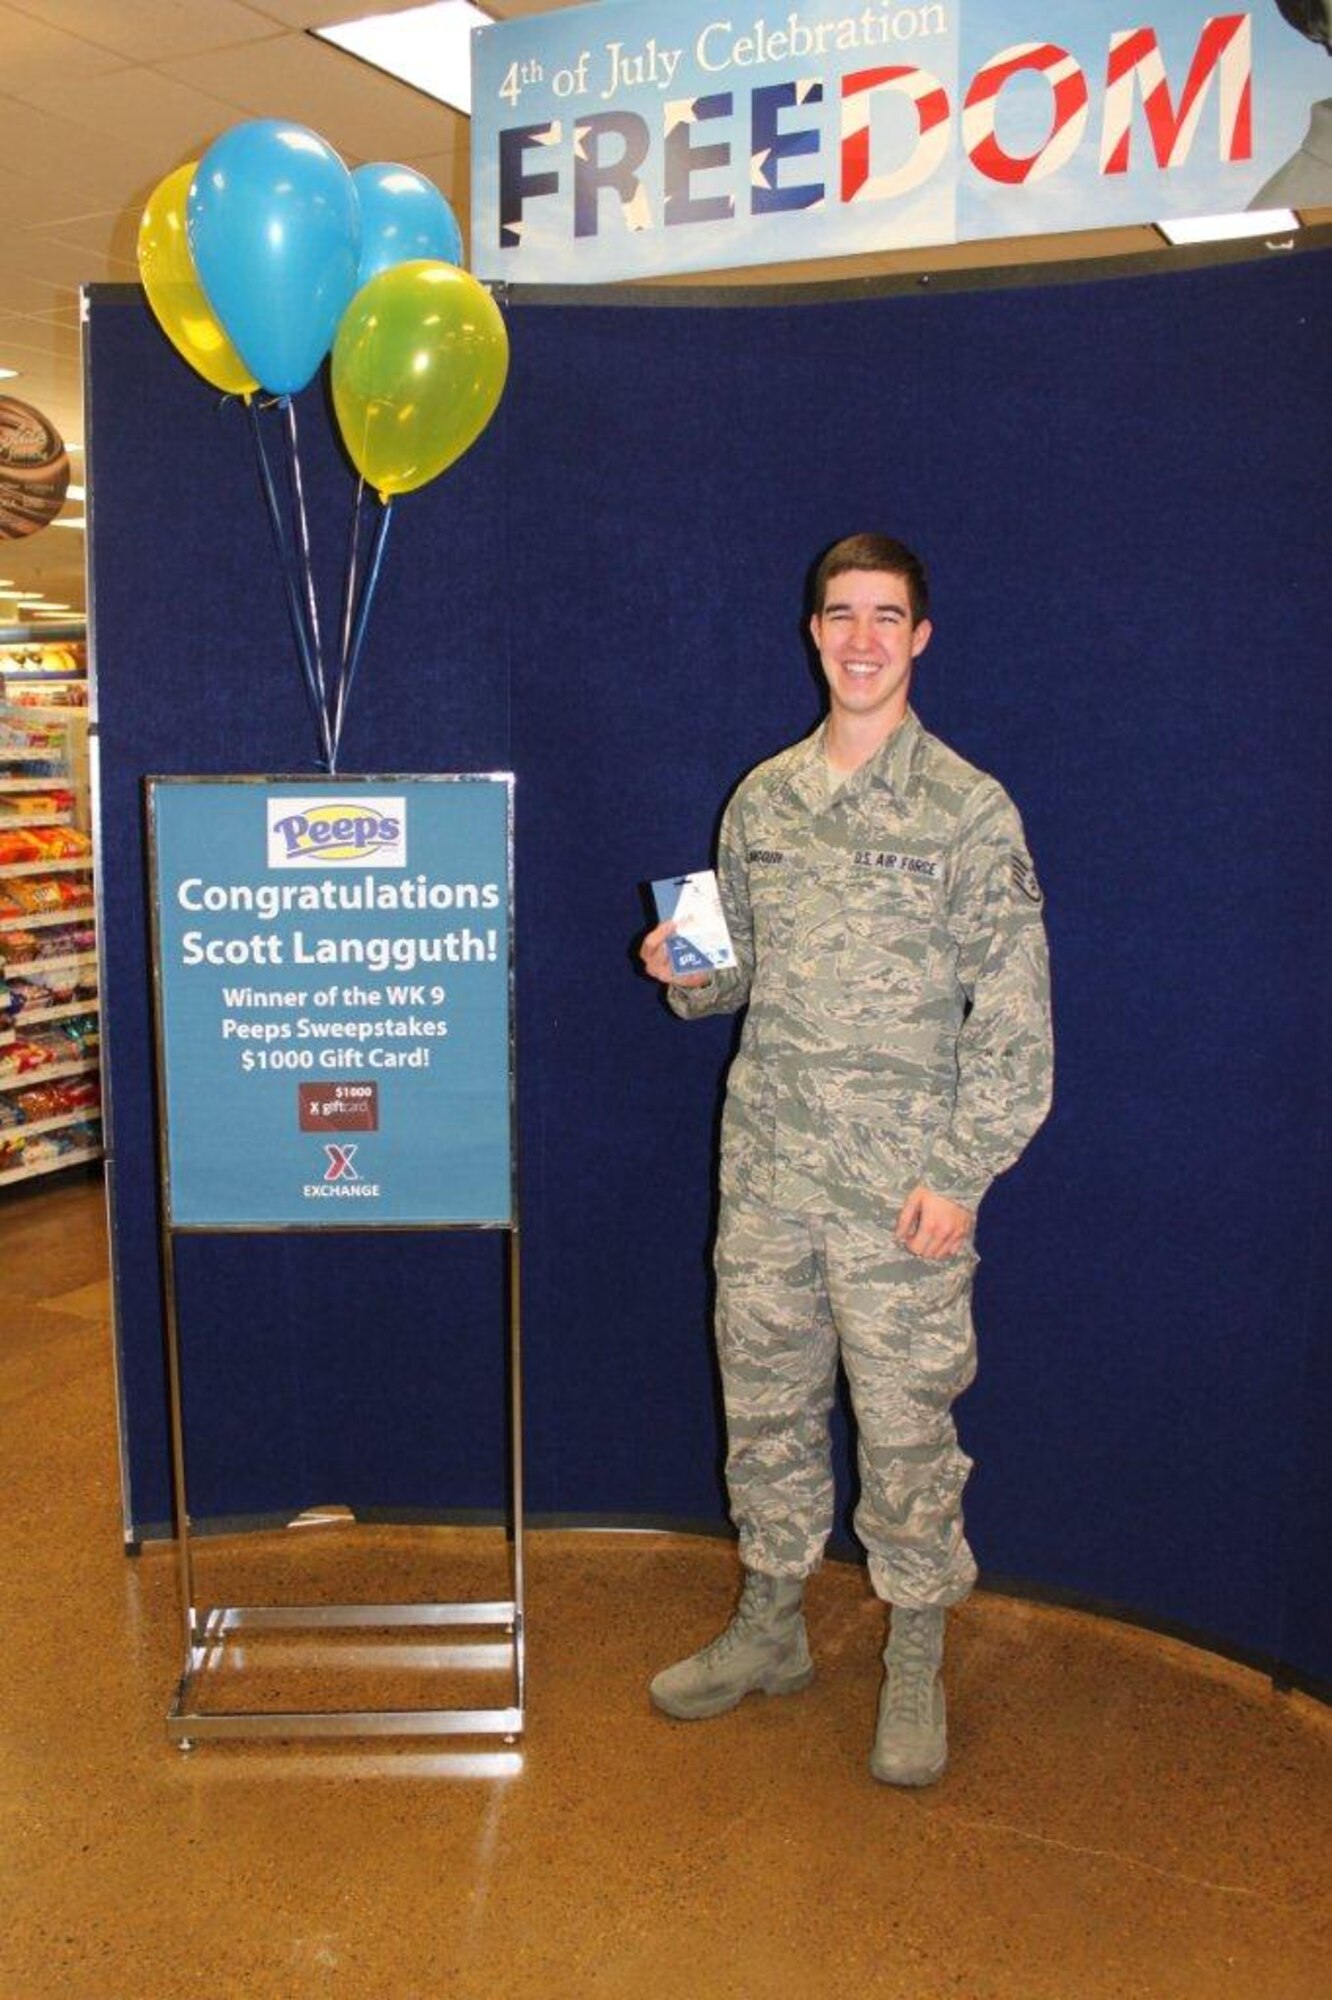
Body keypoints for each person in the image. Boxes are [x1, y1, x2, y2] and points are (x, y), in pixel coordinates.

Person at [638, 533, 1052, 1787]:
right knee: (762, 1409)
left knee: (907, 1427)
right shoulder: (763, 800)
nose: (862, 638)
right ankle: (772, 1630)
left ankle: (913, 1658)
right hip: (766, 1175)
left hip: (899, 1196)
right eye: (840, 614)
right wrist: (687, 973)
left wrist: (962, 1172)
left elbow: (1019, 1023)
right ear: (812, 631)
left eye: (887, 616)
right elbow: (738, 977)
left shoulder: (969, 810)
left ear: (919, 637)